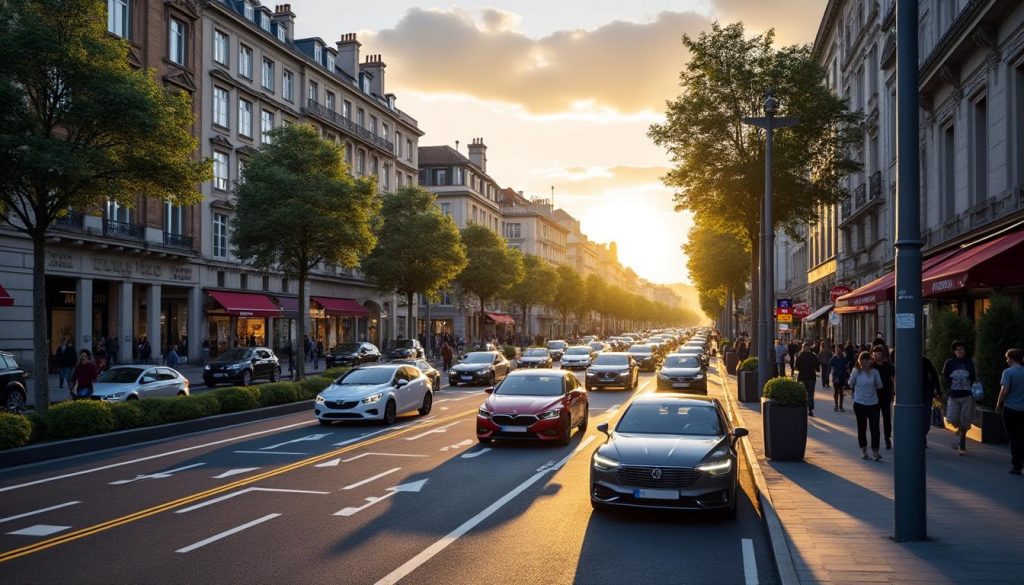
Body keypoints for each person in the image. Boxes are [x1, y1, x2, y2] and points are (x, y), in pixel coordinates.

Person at [942, 340, 976, 455]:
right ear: (954, 351)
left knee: (965, 419)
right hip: (954, 395)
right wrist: (946, 390)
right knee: (952, 418)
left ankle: (962, 440)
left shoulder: (969, 362)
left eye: (963, 349)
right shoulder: (949, 363)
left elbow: (974, 377)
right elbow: (944, 377)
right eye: (959, 350)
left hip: (967, 395)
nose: (961, 351)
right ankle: (960, 430)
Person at [850, 351, 884, 461]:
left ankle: (875, 451)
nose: (867, 362)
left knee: (875, 428)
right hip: (859, 403)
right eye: (865, 360)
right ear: (861, 361)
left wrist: (875, 383)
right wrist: (854, 376)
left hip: (873, 403)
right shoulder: (856, 371)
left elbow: (880, 385)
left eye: (869, 360)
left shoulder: (875, 372)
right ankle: (864, 450)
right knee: (862, 427)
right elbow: (850, 383)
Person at [995, 348, 1024, 475]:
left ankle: (1016, 465)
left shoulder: (1008, 372)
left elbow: (1004, 390)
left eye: (1007, 358)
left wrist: (998, 404)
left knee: (1013, 437)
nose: (1007, 360)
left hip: (1010, 409)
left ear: (1011, 359)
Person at [872, 346, 896, 449]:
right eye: (875, 353)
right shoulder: (871, 366)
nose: (876, 355)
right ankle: (875, 440)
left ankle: (887, 438)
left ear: (883, 354)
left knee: (887, 418)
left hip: (886, 396)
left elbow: (893, 380)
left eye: (878, 353)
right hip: (874, 396)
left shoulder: (889, 367)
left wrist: (894, 392)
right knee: (875, 419)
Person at [795, 342, 820, 417]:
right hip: (811, 377)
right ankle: (810, 410)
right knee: (810, 394)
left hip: (802, 377)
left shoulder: (799, 356)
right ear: (809, 348)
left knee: (801, 394)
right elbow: (817, 367)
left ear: (803, 347)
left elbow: (797, 367)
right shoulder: (813, 356)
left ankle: (802, 408)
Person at [922, 355, 942, 440]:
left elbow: (934, 376)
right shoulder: (925, 361)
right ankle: (921, 437)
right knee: (925, 416)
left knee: (926, 417)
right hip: (923, 393)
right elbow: (934, 376)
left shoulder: (925, 361)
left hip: (926, 392)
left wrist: (938, 391)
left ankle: (922, 436)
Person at [829, 345, 849, 412]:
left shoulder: (844, 358)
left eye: (838, 349)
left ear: (841, 349)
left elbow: (847, 368)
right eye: (836, 349)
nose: (837, 350)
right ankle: (836, 406)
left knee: (841, 391)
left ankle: (841, 406)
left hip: (842, 376)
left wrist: (847, 377)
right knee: (836, 391)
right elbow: (830, 365)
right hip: (835, 376)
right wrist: (828, 375)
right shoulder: (834, 358)